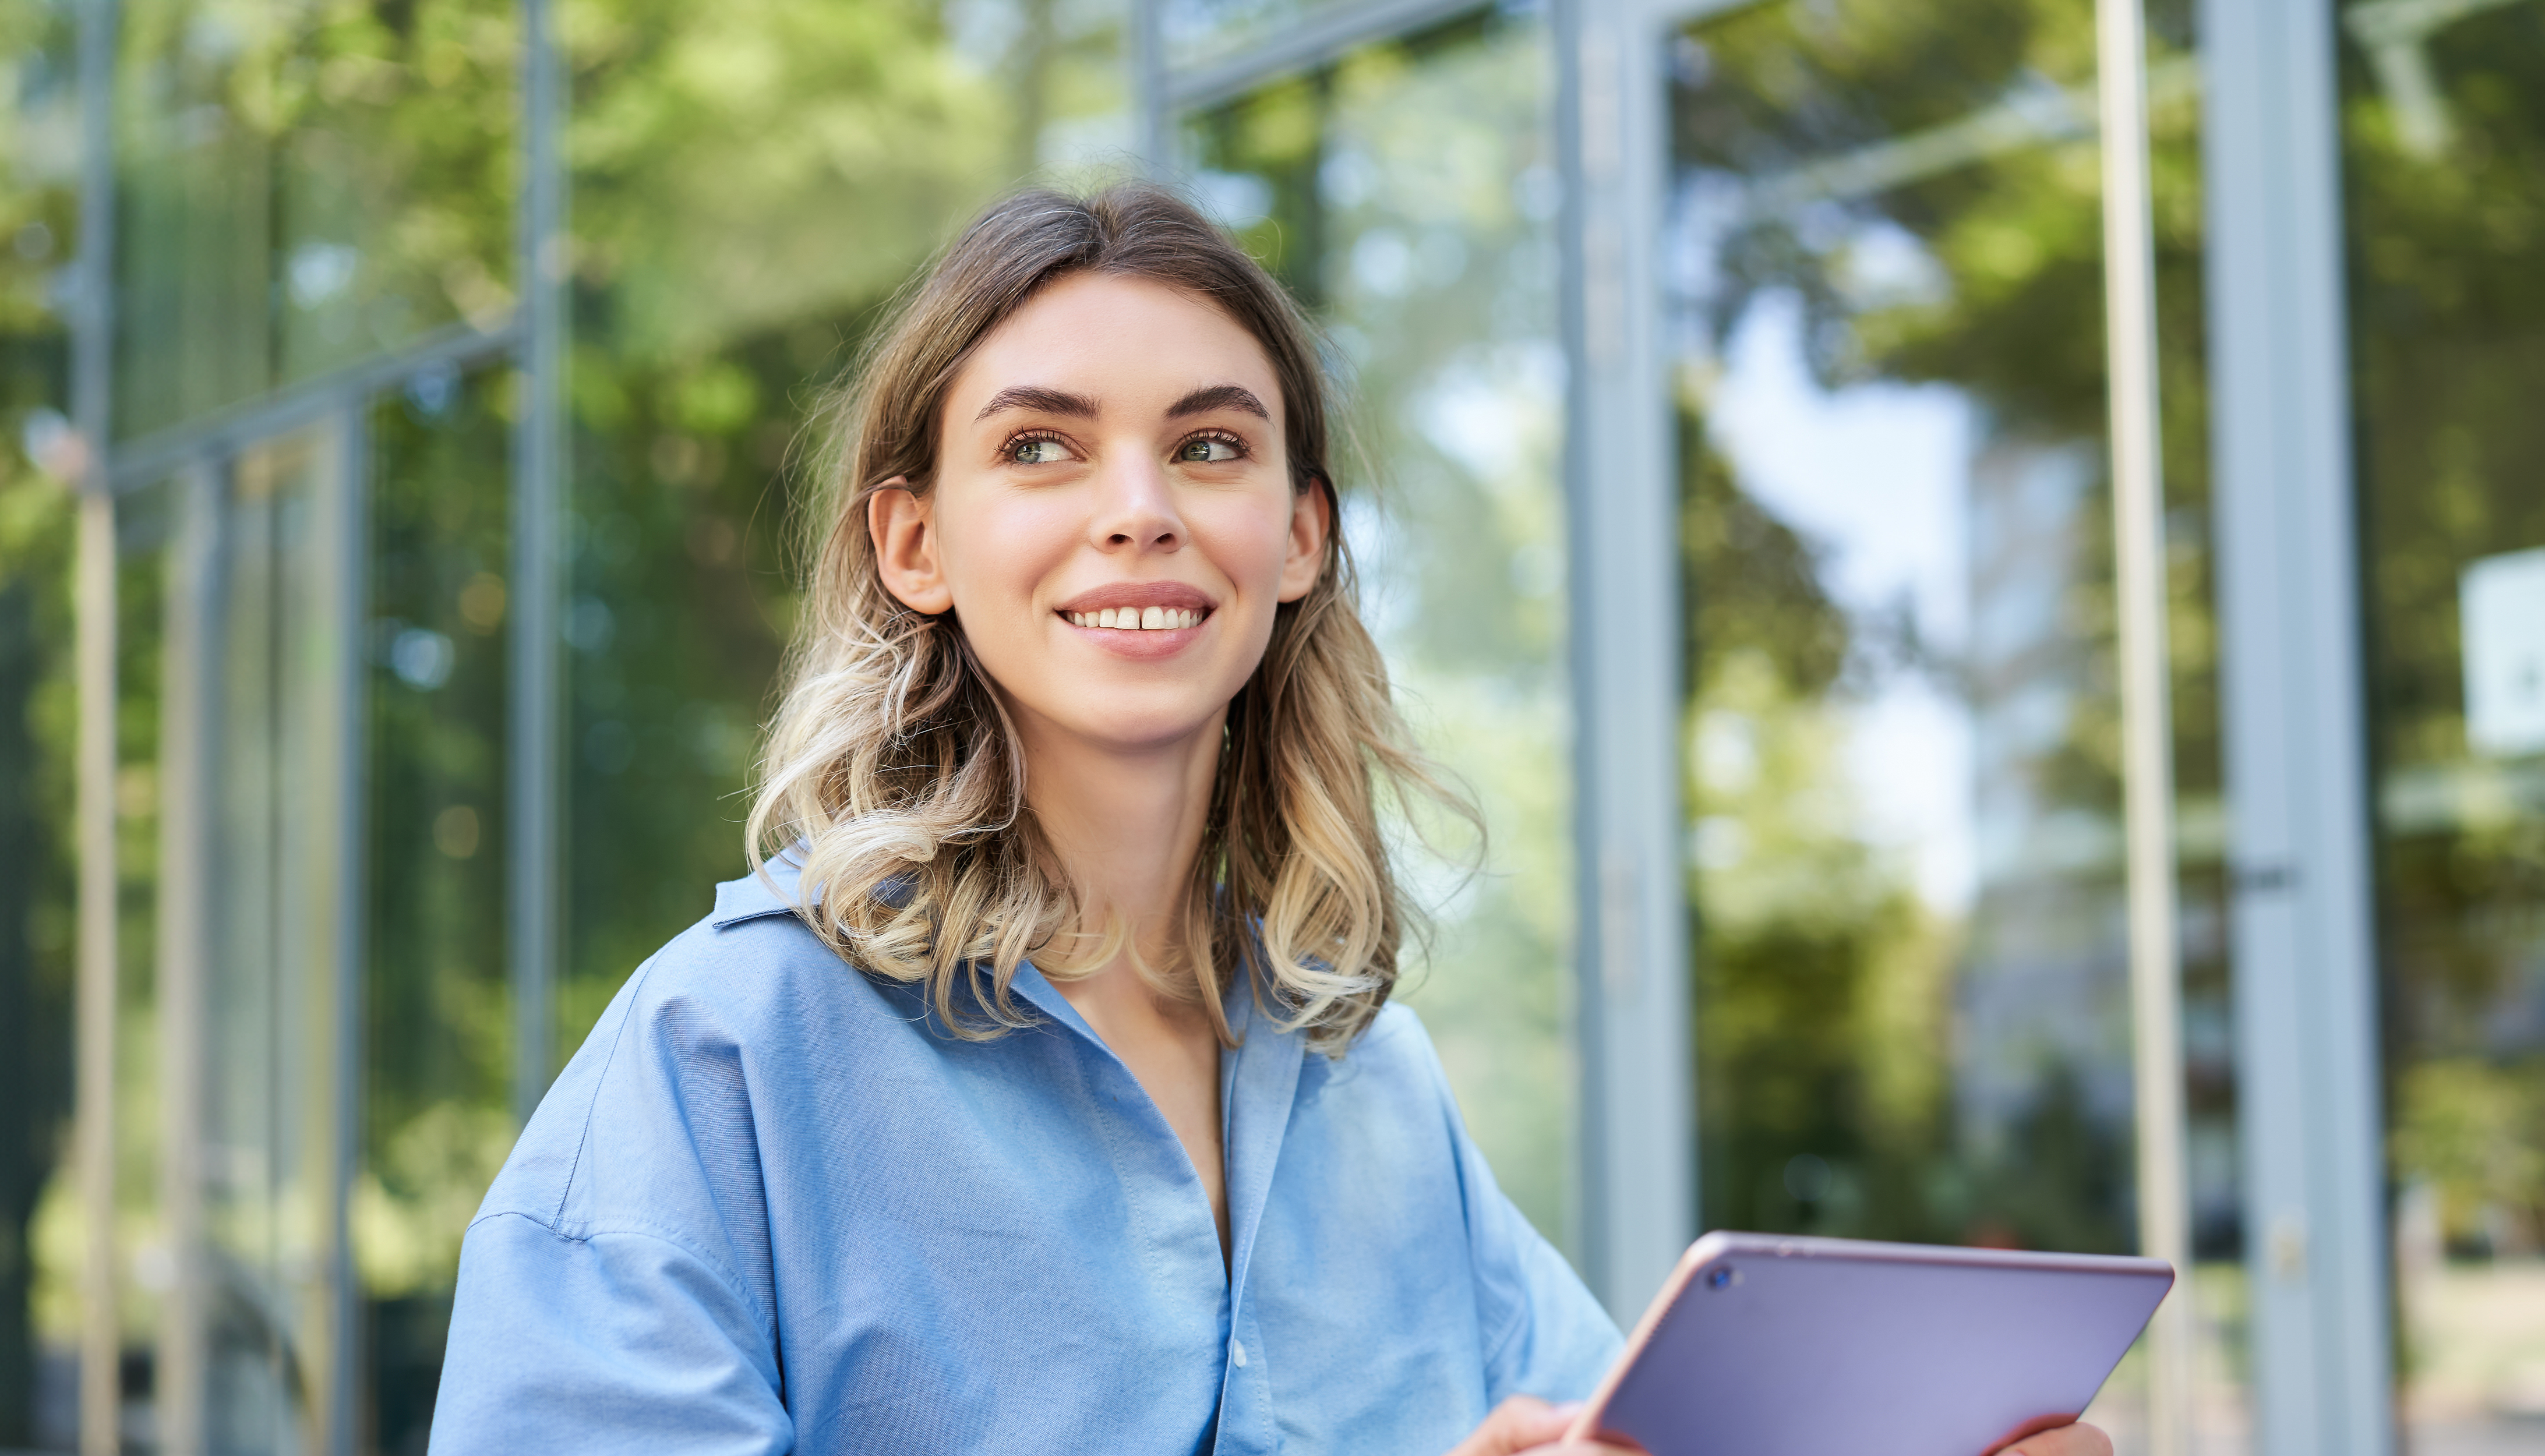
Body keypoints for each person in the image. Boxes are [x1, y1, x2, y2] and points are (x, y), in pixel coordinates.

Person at [428, 182, 2116, 1456]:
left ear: (1299, 533)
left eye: (1211, 445)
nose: (1141, 512)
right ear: (913, 544)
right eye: (1042, 449)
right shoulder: (720, 1061)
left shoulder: (1369, 1091)